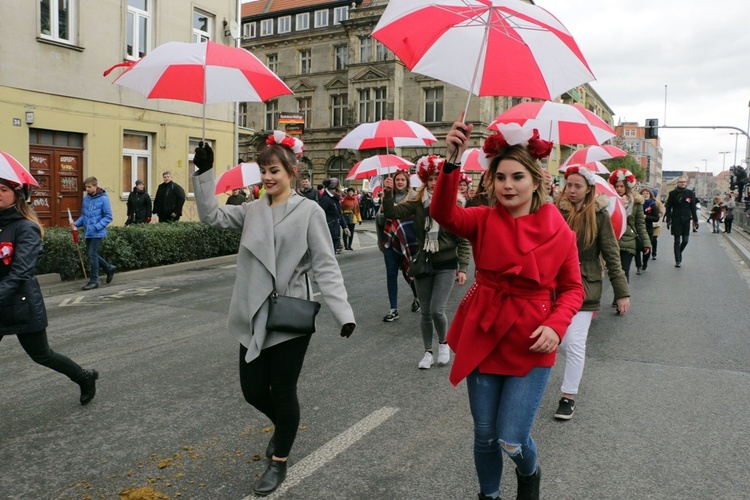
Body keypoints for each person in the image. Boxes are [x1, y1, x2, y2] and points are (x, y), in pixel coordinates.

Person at [191, 132, 355, 497]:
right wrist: (204, 172)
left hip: (288, 316)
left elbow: (326, 265)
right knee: (252, 392)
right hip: (252, 312)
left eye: (274, 170)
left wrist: (342, 312)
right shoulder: (252, 210)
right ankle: (286, 428)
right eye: (263, 170)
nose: (267, 176)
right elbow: (211, 216)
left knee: (282, 390)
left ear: (292, 171)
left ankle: (278, 459)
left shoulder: (309, 211)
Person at [432, 116, 584, 500]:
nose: (507, 185)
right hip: (485, 331)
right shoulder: (483, 220)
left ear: (536, 180)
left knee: (512, 439)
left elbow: (572, 290)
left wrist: (556, 326)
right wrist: (451, 159)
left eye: (517, 177)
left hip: (532, 340)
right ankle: (490, 496)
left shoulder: (560, 231)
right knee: (485, 435)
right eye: (500, 177)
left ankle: (529, 473)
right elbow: (444, 214)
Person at [1, 177, 99, 405]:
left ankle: (84, 377)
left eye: (3, 189)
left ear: (17, 194)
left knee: (42, 355)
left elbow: (20, 273)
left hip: (21, 304)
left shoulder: (26, 228)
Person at [553, 166, 630, 420]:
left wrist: (621, 292)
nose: (572, 190)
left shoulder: (599, 216)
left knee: (573, 343)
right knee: (556, 341)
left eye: (577, 186)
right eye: (569, 185)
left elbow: (611, 254)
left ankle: (568, 396)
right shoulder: (555, 211)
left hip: (586, 286)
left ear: (588, 190)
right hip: (553, 285)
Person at [383, 156, 471, 369]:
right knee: (424, 311)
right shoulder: (418, 201)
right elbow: (392, 212)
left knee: (436, 310)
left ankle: (443, 344)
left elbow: (462, 237)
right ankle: (427, 352)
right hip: (423, 262)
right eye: (430, 179)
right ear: (424, 180)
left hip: (446, 264)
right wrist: (387, 192)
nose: (433, 183)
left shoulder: (454, 202)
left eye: (437, 178)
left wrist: (464, 267)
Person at [375, 170, 421, 322]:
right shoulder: (387, 196)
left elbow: (417, 219)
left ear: (407, 181)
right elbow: (380, 221)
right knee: (391, 274)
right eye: (397, 180)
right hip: (390, 241)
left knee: (410, 273)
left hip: (409, 243)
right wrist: (384, 211)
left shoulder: (414, 197)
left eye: (403, 180)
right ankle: (393, 308)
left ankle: (417, 297)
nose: (400, 182)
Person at [72, 177, 115, 290]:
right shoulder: (86, 199)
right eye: (86, 187)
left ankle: (94, 280)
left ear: (96, 186)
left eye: (89, 187)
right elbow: (84, 216)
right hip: (88, 232)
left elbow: (108, 217)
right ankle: (109, 267)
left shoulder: (104, 199)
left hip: (97, 232)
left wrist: (97, 227)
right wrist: (76, 224)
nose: (87, 189)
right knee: (92, 254)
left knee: (92, 254)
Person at [608, 169, 650, 279]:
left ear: (627, 187)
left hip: (629, 242)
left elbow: (640, 224)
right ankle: (619, 295)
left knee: (624, 272)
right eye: (617, 186)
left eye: (621, 186)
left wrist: (646, 243)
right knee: (615, 273)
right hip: (612, 241)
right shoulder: (608, 201)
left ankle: (623, 296)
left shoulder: (636, 203)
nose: (619, 189)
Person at [664, 176, 699, 268]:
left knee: (685, 240)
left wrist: (696, 220)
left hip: (686, 220)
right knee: (676, 240)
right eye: (680, 182)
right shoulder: (672, 193)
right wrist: (668, 219)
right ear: (677, 183)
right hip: (676, 220)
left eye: (684, 182)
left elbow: (693, 208)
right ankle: (678, 260)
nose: (682, 183)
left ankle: (678, 252)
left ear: (686, 183)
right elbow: (669, 207)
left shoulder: (689, 193)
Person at [318, 177, 349, 254]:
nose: (340, 189)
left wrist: (345, 227)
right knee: (329, 254)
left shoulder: (334, 198)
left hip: (335, 230)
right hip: (329, 231)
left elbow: (339, 213)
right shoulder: (325, 199)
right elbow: (320, 215)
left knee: (333, 253)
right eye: (339, 186)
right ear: (335, 188)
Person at [639, 188, 659, 271]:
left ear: (650, 195)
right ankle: (638, 264)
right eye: (644, 193)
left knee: (647, 247)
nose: (645, 195)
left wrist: (646, 217)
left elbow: (656, 218)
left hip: (648, 228)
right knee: (637, 247)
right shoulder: (637, 204)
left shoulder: (653, 205)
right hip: (638, 228)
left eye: (647, 193)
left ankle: (645, 262)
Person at [650, 189, 665, 259]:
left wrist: (655, 216)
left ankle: (654, 253)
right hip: (647, 223)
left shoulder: (658, 203)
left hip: (655, 224)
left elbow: (661, 212)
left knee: (654, 239)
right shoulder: (645, 202)